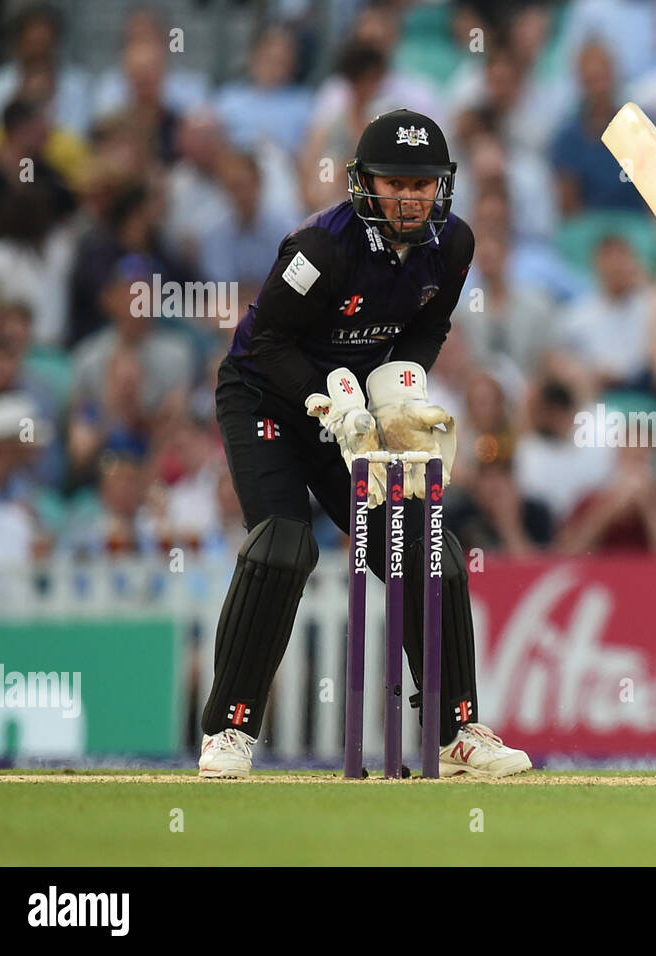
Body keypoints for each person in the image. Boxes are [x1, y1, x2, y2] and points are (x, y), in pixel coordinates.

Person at [197, 108, 531, 779]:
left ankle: (457, 733)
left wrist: (397, 393)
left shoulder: (455, 246)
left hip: (354, 406)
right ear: (364, 184)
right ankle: (228, 732)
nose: (409, 197)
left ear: (443, 186)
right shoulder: (321, 249)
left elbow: (427, 329)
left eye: (422, 184)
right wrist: (328, 402)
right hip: (269, 397)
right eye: (394, 183)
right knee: (284, 545)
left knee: (428, 549)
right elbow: (268, 344)